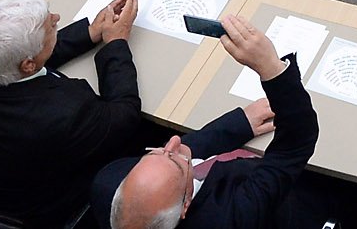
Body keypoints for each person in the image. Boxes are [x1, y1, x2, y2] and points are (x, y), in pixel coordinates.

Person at [93, 12, 320, 229]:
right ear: (186, 204)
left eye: (154, 152)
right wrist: (271, 67)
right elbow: (295, 145)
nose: (172, 141)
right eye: (176, 161)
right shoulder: (232, 218)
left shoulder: (108, 186)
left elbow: (170, 164)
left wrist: (239, 124)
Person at [0, 0, 145, 223]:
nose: (56, 17)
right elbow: (124, 115)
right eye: (50, 26)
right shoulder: (65, 113)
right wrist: (116, 43)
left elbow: (17, 62)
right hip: (34, 209)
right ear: (28, 64)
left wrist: (88, 34)